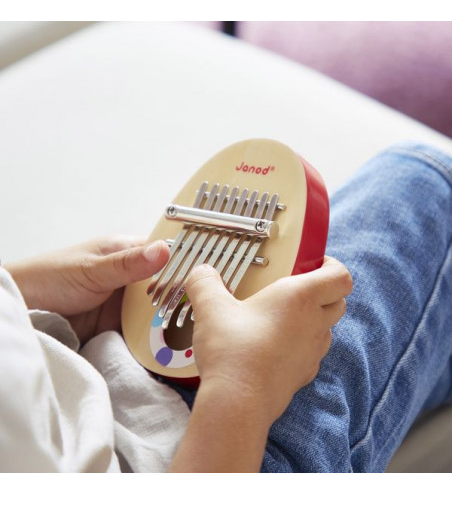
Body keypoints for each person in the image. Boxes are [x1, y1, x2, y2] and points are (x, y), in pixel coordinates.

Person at [1, 141, 451, 472]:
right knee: (425, 180)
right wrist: (245, 387)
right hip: (213, 447)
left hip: (88, 358)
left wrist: (24, 293)